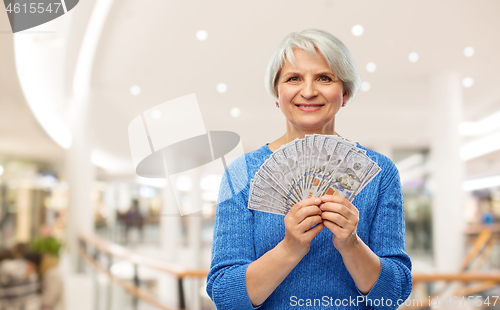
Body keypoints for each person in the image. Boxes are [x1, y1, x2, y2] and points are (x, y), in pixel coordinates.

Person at [206, 29, 413, 309]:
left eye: (324, 78)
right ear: (276, 93)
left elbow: (392, 296)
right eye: (293, 78)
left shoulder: (379, 173)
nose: (308, 91)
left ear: (346, 93)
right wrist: (290, 248)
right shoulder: (241, 173)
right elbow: (226, 297)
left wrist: (351, 244)